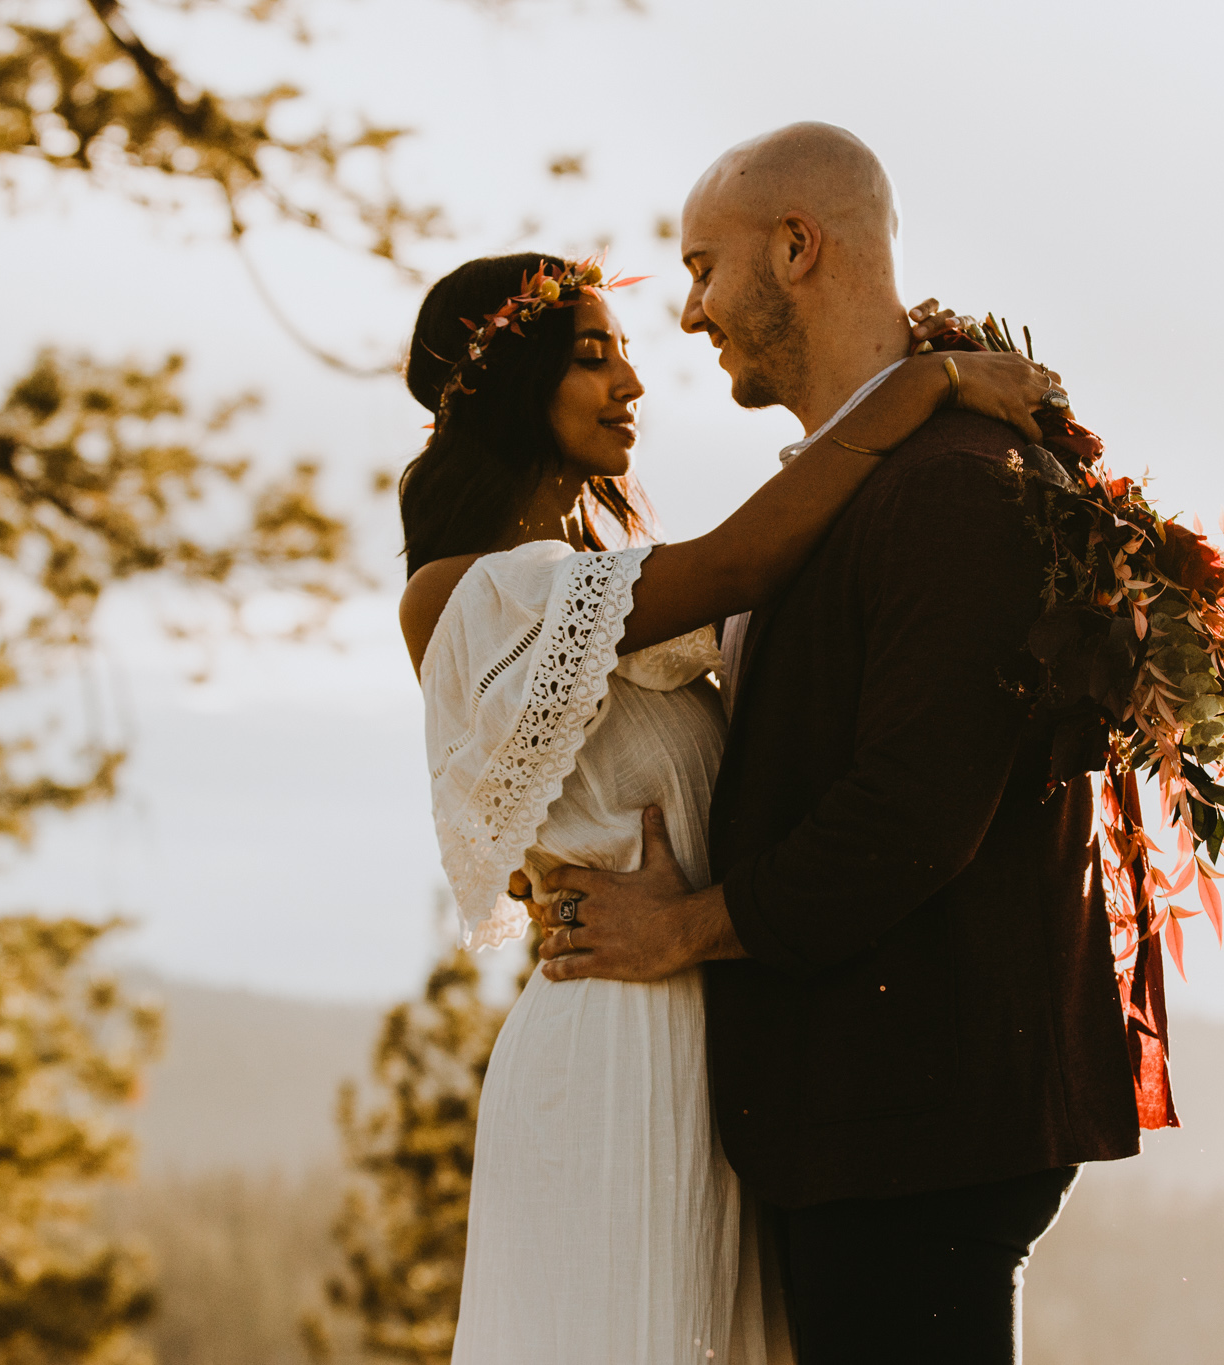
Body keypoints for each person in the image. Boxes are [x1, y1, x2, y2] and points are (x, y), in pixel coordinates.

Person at [527, 124, 1142, 1364]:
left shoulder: (956, 483)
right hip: (863, 1112)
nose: (690, 313)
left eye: (704, 267)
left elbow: (906, 814)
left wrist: (678, 930)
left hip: (917, 1115)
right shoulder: (857, 484)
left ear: (796, 247)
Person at [398, 247, 1058, 1364]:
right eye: (594, 355)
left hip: (712, 1044)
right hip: (614, 1051)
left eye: (624, 353)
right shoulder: (475, 591)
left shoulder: (602, 587)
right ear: (513, 383)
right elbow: (749, 562)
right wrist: (925, 384)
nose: (632, 383)